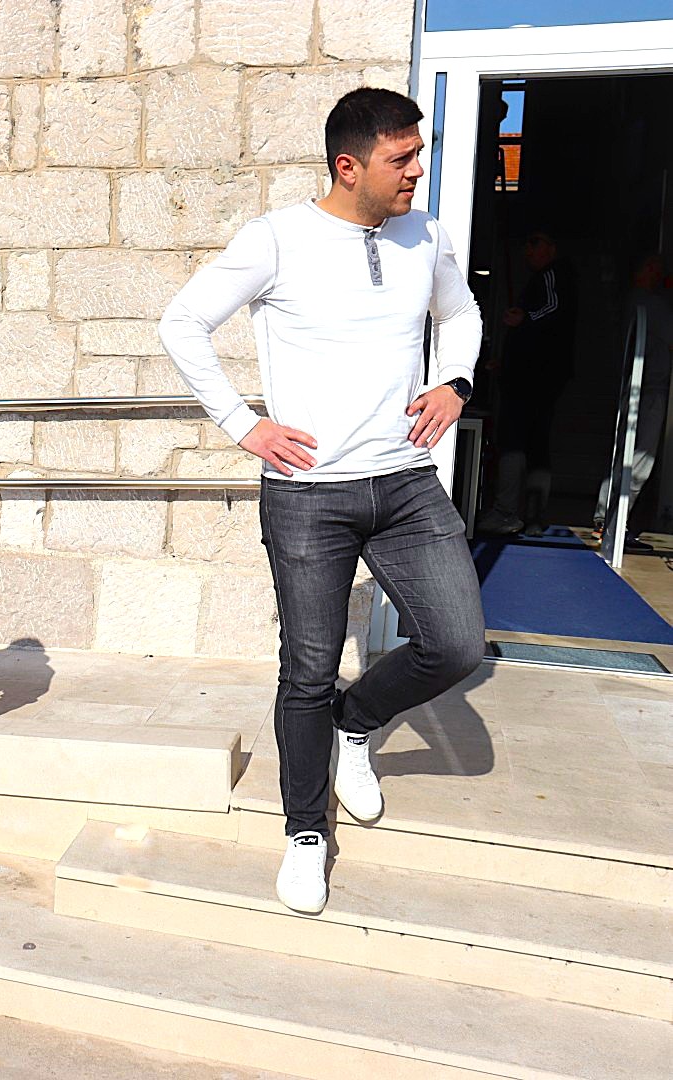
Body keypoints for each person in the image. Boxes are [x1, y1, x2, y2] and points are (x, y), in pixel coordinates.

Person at [159, 88, 486, 915]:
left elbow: (461, 313)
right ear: (349, 166)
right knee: (306, 670)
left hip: (406, 483)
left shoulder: (426, 235)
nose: (417, 171)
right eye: (401, 159)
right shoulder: (277, 240)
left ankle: (356, 722)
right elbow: (183, 323)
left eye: (418, 154)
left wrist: (454, 381)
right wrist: (243, 425)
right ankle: (306, 832)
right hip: (309, 495)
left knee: (455, 645)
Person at [479, 230, 574, 535]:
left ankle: (507, 511)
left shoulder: (551, 276)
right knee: (534, 445)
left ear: (551, 247)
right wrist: (506, 363)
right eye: (526, 244)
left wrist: (527, 317)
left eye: (535, 243)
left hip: (533, 379)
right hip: (532, 376)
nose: (528, 250)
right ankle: (531, 516)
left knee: (515, 441)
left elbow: (552, 309)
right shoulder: (542, 280)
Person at [594, 253, 673, 553]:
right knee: (639, 461)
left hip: (634, 386)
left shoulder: (632, 302)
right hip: (649, 388)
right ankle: (616, 523)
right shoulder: (650, 304)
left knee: (624, 455)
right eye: (655, 268)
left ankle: (605, 518)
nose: (659, 273)